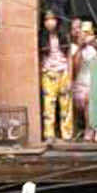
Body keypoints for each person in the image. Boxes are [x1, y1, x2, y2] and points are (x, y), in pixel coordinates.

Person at [71, 20, 97, 141]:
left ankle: (90, 128)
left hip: (94, 82)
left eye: (85, 31)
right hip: (79, 83)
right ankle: (76, 129)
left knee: (90, 97)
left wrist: (92, 42)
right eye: (80, 31)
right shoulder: (73, 47)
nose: (82, 33)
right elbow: (74, 68)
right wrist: (80, 48)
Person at [40, 10, 73, 141]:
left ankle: (67, 134)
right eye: (47, 19)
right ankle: (49, 134)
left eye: (52, 18)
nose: (50, 22)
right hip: (48, 73)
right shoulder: (42, 38)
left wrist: (70, 74)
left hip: (63, 71)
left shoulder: (63, 36)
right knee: (48, 105)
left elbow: (69, 56)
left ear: (57, 20)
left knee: (66, 105)